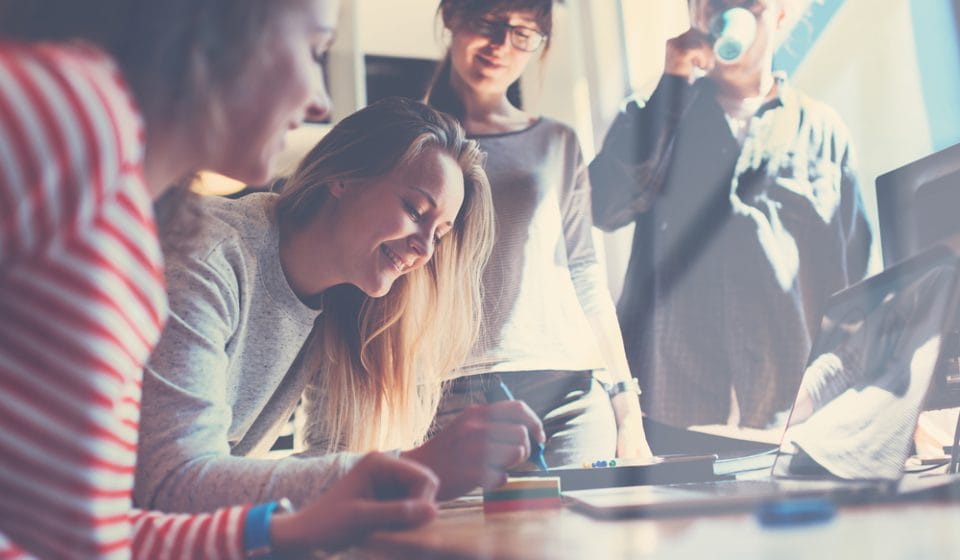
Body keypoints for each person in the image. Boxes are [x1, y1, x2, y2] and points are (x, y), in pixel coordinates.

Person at [0, 1, 444, 558]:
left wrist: (279, 531)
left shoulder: (139, 231)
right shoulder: (71, 112)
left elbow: (93, 530)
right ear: (228, 22)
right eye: (315, 50)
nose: (319, 101)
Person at [135, 95, 545, 509]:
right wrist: (417, 467)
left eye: (438, 234)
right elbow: (172, 481)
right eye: (414, 209)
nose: (423, 249)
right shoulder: (207, 260)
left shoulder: (341, 299)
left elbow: (325, 459)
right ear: (343, 177)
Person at [589, 0, 874, 432]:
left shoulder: (821, 130)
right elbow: (604, 205)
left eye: (746, 5)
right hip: (674, 405)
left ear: (779, 15)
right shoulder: (652, 113)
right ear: (694, 15)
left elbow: (854, 284)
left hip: (789, 409)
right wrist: (671, 88)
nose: (727, 13)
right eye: (713, 5)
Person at [424, 0, 653, 467]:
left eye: (523, 33)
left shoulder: (556, 142)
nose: (501, 45)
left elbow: (585, 275)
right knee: (458, 539)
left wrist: (628, 413)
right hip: (445, 391)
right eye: (489, 24)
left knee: (580, 538)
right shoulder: (406, 139)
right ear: (451, 17)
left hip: (570, 394)